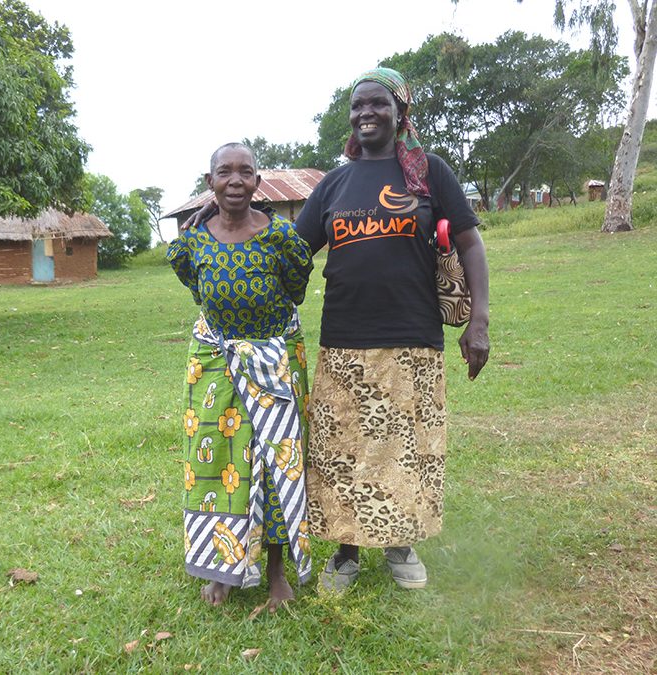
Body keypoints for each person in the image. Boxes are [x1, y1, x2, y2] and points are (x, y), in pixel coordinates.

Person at [295, 67, 490, 592]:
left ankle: (400, 546)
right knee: (341, 451)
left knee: (406, 447)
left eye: (377, 103)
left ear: (400, 111)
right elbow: (294, 252)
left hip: (413, 338)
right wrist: (229, 233)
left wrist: (479, 321)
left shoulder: (428, 174)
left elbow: (470, 245)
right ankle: (346, 552)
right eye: (357, 105)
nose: (365, 113)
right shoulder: (334, 184)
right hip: (344, 339)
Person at [167, 142, 315, 610]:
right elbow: (198, 292)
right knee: (219, 464)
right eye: (224, 172)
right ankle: (224, 568)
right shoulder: (190, 244)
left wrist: (259, 341)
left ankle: (275, 572)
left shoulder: (283, 238)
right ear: (209, 181)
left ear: (257, 181)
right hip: (214, 363)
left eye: (245, 172)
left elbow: (297, 291)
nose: (235, 180)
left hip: (274, 362)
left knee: (274, 465)